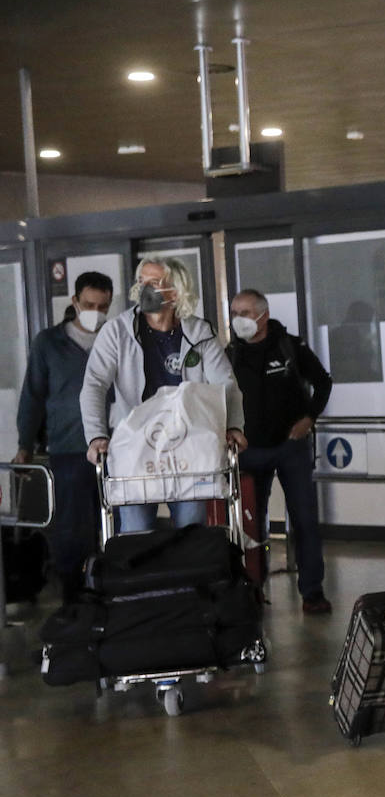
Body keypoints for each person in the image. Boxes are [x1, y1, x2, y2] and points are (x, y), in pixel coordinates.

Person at [80, 256, 246, 532]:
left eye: (155, 283)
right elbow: (94, 384)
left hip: (187, 446)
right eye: (142, 282)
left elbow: (226, 383)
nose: (146, 289)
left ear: (177, 290)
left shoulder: (199, 333)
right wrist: (96, 435)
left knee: (191, 531)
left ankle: (189, 576)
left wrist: (234, 426)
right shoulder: (117, 332)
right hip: (134, 446)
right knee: (136, 532)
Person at [226, 289, 334, 614]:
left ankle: (312, 591)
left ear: (263, 314)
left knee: (304, 519)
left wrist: (309, 419)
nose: (238, 320)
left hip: (291, 447)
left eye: (245, 312)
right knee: (251, 523)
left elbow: (323, 382)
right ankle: (252, 588)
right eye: (235, 312)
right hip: (248, 450)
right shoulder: (229, 355)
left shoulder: (291, 346)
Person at [14, 271, 114, 599]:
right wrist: (24, 445)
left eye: (103, 306)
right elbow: (33, 395)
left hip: (116, 449)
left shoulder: (117, 339)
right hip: (69, 448)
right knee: (72, 528)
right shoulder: (49, 343)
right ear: (75, 301)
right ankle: (74, 598)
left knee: (114, 525)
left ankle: (114, 591)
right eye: (89, 304)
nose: (96, 312)